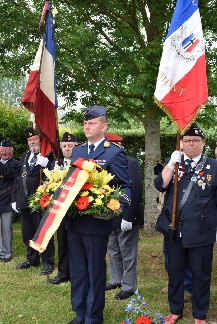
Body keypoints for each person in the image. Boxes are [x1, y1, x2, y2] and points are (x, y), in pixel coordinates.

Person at [66, 106, 132, 324]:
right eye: (85, 123)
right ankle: (79, 312)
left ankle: (93, 315)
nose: (87, 126)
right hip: (75, 221)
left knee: (94, 270)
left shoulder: (114, 152)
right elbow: (68, 183)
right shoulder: (76, 151)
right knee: (77, 269)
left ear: (104, 126)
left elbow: (126, 187)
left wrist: (118, 208)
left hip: (97, 223)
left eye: (91, 123)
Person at [154, 123, 217, 324]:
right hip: (175, 230)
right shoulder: (174, 163)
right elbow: (160, 185)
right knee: (175, 272)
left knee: (201, 275)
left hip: (202, 232)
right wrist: (171, 165)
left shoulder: (213, 166)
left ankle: (200, 315)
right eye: (187, 141)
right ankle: (175, 310)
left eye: (196, 141)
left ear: (203, 143)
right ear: (181, 143)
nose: (191, 145)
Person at [104, 133, 143, 300]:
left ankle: (128, 286)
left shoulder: (130, 163)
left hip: (126, 215)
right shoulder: (104, 163)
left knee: (127, 252)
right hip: (109, 215)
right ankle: (116, 279)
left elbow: (135, 191)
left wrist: (129, 216)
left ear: (120, 146)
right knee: (112, 250)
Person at [11, 128, 55, 275]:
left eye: (35, 139)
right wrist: (15, 199)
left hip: (40, 201)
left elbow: (55, 175)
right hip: (24, 201)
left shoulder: (48, 156)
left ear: (40, 140)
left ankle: (48, 262)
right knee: (27, 233)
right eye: (30, 140)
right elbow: (18, 179)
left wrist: (47, 164)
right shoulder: (24, 156)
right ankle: (32, 259)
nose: (32, 142)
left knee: (42, 232)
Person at [47, 132, 78, 285]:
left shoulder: (82, 164)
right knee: (62, 241)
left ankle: (78, 273)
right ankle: (63, 273)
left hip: (77, 210)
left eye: (71, 146)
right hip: (60, 211)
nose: (67, 149)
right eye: (65, 146)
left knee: (77, 243)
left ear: (76, 146)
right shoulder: (55, 165)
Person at [0, 140, 19, 262]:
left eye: (7, 150)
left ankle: (6, 254)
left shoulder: (16, 164)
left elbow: (7, 174)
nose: (4, 152)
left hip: (7, 201)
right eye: (1, 150)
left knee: (6, 229)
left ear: (12, 151)